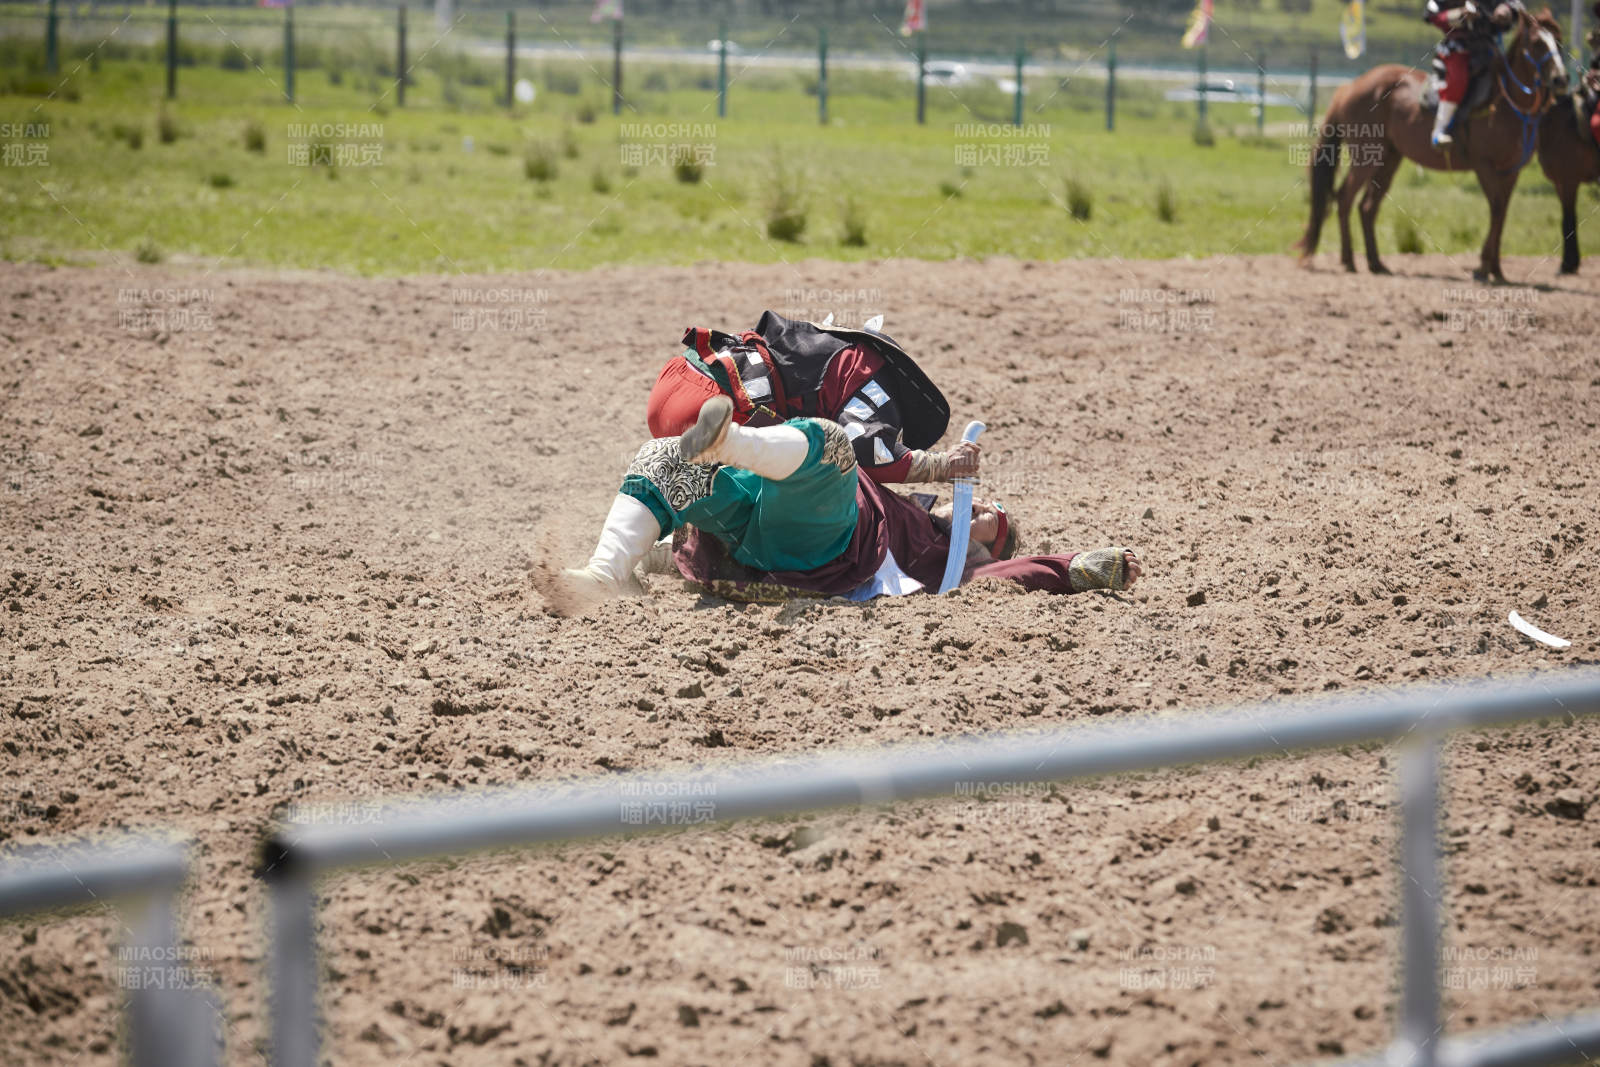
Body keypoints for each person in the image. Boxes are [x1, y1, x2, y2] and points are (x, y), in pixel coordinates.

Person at [547, 398, 1141, 613]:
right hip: (757, 519)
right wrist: (941, 466)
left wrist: (1075, 569)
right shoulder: (920, 513)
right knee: (662, 458)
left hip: (827, 541)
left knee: (832, 444)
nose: (984, 506)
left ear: (989, 544)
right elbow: (889, 460)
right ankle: (603, 578)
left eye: (993, 516)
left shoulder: (953, 562)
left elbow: (1016, 573)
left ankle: (728, 441)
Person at [646, 310, 980, 486]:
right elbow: (868, 450)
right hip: (723, 407)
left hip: (676, 379)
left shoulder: (823, 344)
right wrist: (940, 466)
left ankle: (666, 551)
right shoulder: (873, 374)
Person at [1424, 0, 1521, 146]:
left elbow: (1515, 5)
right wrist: (1460, 14)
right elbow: (1433, 15)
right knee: (1457, 80)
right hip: (1458, 47)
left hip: (1489, 48)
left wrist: (1506, 9)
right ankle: (1439, 131)